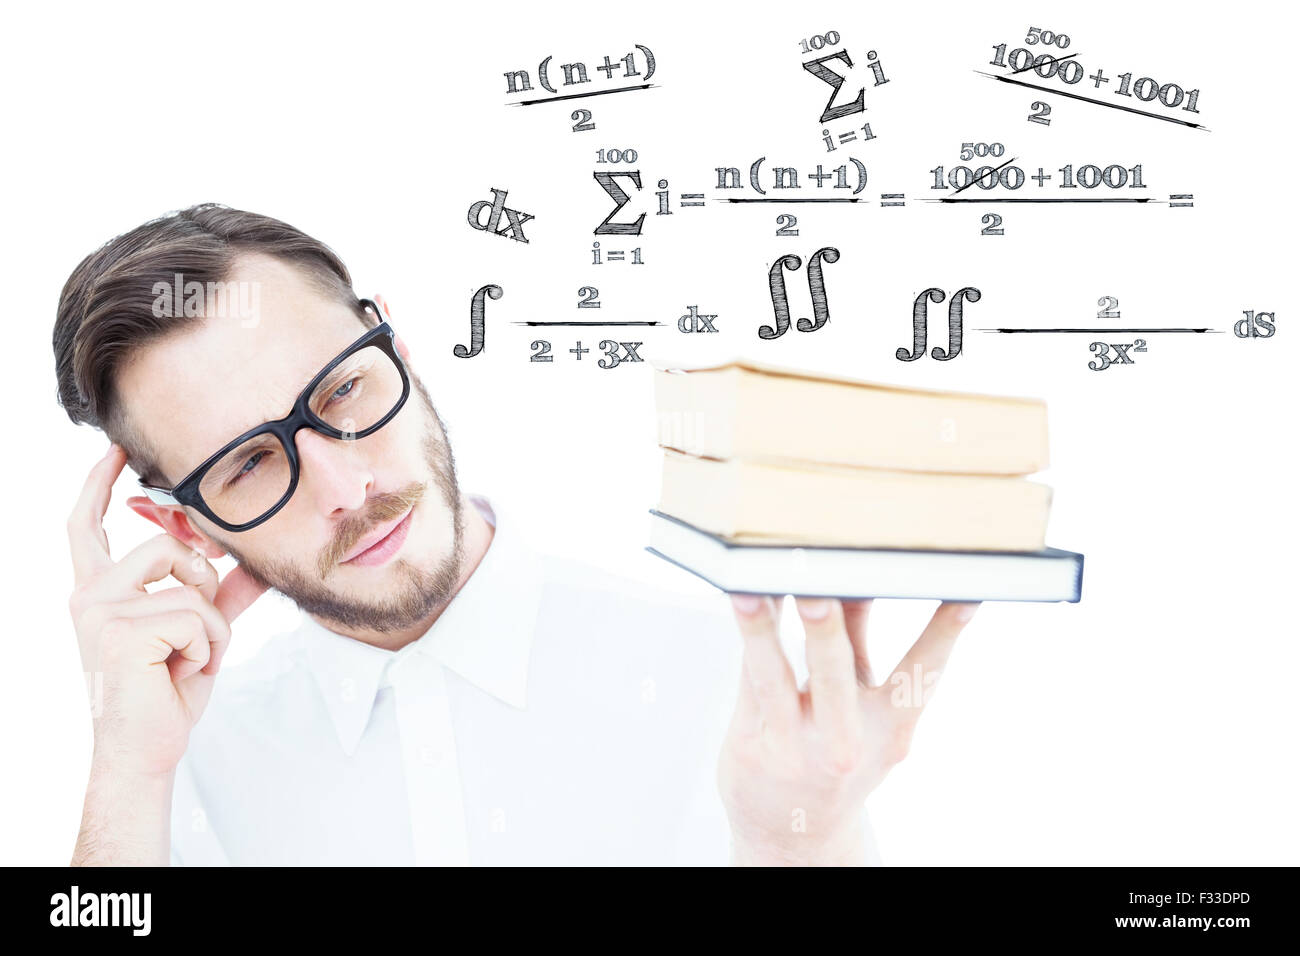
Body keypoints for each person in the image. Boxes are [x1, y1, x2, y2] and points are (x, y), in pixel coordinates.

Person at [54, 203, 978, 866]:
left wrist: (790, 847)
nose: (345, 487)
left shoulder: (733, 686)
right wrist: (125, 777)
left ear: (399, 356)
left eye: (342, 390)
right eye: (248, 464)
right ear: (183, 522)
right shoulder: (175, 776)